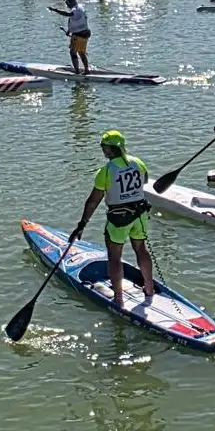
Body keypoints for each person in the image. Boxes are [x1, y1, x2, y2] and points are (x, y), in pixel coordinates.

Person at [70, 130, 155, 309]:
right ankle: (149, 287)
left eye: (103, 147)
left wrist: (82, 224)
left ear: (109, 149)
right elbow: (144, 180)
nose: (102, 150)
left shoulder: (106, 171)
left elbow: (93, 200)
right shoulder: (138, 162)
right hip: (140, 215)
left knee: (115, 257)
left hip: (119, 219)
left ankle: (118, 298)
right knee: (141, 249)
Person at [49, 0, 91, 73]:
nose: (67, 5)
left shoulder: (75, 9)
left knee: (73, 52)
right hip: (85, 33)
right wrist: (69, 30)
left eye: (67, 3)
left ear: (71, 2)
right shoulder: (80, 7)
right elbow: (76, 20)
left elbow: (68, 14)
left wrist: (55, 10)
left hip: (79, 35)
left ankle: (77, 71)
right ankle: (86, 70)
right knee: (81, 52)